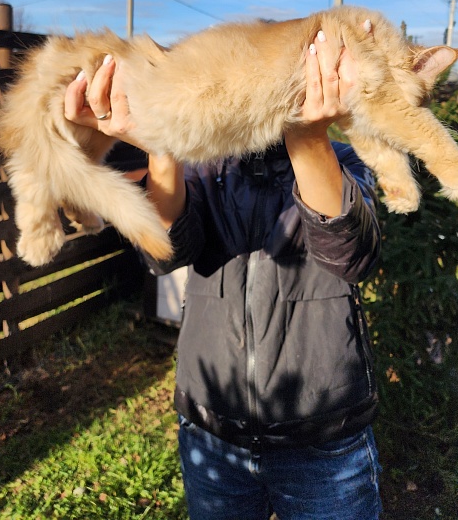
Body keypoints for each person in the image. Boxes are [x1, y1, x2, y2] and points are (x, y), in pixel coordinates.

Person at [64, 28, 383, 520]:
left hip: (323, 437)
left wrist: (307, 134)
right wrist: (160, 143)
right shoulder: (207, 166)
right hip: (212, 432)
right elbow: (165, 254)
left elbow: (351, 255)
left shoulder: (345, 160)